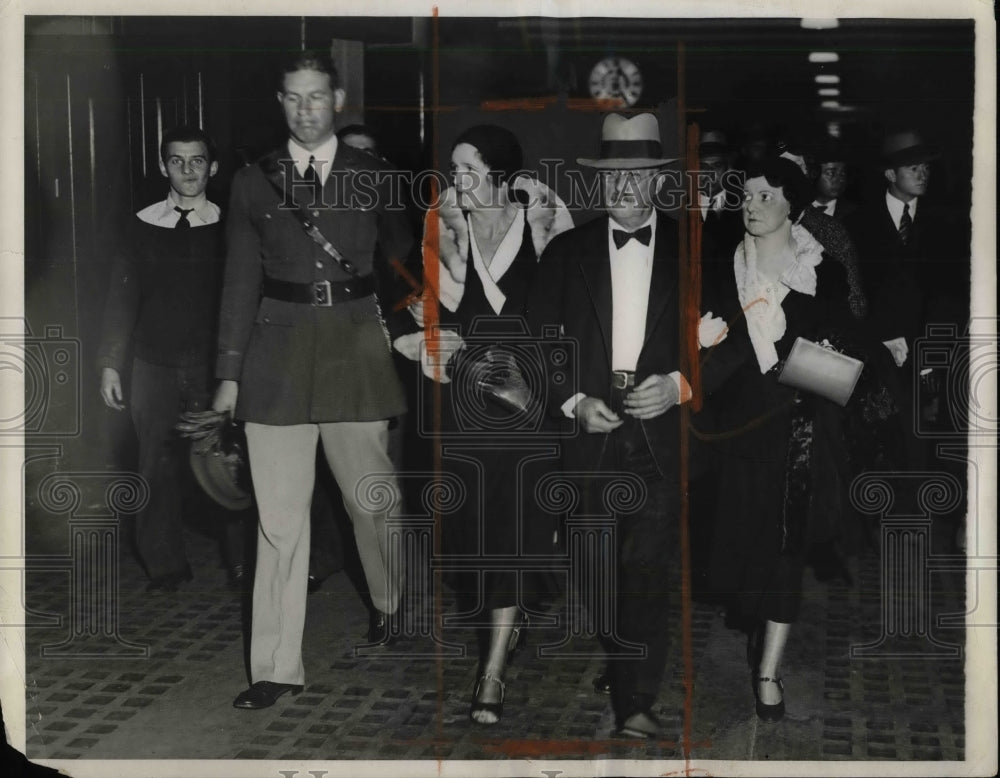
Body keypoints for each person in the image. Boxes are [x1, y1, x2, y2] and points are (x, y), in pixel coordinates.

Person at [213, 50, 414, 710]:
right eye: (294, 97)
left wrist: (404, 321)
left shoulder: (373, 174)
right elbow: (240, 282)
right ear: (281, 102)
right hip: (276, 357)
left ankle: (390, 602)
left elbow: (409, 262)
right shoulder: (251, 181)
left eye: (317, 97)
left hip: (354, 348)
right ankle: (274, 667)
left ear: (338, 100)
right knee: (278, 522)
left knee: (372, 501)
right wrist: (229, 374)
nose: (306, 109)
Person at [395, 124, 573, 725]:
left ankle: (492, 669)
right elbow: (423, 305)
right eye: (453, 169)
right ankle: (511, 612)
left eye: (467, 169)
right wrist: (425, 327)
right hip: (465, 397)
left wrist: (554, 387)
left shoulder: (546, 220)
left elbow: (573, 310)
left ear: (499, 173)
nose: (455, 180)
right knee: (470, 532)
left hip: (528, 397)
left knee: (515, 526)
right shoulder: (443, 225)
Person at [524, 113, 693, 738]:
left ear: (657, 183)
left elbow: (720, 343)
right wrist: (570, 401)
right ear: (599, 183)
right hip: (589, 432)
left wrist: (678, 385)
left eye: (638, 176)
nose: (625, 187)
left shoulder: (692, 249)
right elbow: (540, 342)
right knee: (594, 563)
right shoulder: (567, 252)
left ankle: (635, 698)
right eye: (613, 175)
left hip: (657, 436)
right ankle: (619, 654)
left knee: (647, 566)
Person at [697, 156, 864, 721]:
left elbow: (842, 369)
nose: (753, 205)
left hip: (800, 432)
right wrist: (709, 343)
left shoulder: (824, 272)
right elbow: (701, 372)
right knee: (743, 549)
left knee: (786, 552)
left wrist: (778, 347)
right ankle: (753, 625)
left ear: (795, 203)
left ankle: (769, 669)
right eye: (746, 196)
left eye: (767, 196)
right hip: (737, 434)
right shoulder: (722, 269)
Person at [97, 125, 229, 592]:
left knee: (226, 461)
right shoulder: (140, 224)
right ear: (162, 166)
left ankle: (240, 558)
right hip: (153, 363)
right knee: (154, 462)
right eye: (177, 160)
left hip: (214, 366)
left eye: (197, 160)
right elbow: (121, 297)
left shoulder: (232, 224)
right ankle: (165, 563)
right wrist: (112, 363)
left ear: (212, 167)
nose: (187, 169)